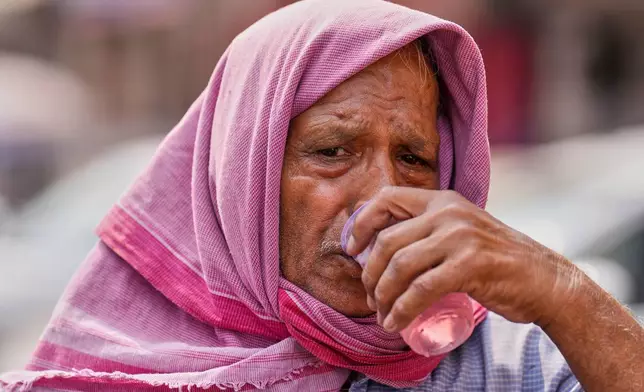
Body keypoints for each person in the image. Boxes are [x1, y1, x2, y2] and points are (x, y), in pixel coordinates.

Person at [2, 0, 642, 391]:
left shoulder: (499, 365)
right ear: (242, 179)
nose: (384, 199)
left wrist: (565, 295)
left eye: (415, 159)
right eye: (332, 152)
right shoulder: (107, 371)